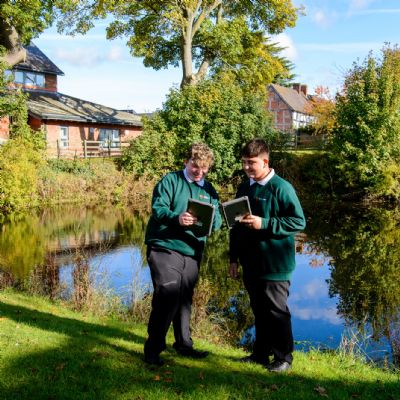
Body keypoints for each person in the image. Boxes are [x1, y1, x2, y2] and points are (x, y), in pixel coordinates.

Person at [229, 138, 306, 373]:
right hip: (251, 263)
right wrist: (233, 258)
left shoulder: (282, 188)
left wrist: (264, 223)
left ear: (265, 161)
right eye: (244, 162)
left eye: (251, 163)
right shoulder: (245, 187)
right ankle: (260, 354)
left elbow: (298, 221)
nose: (246, 167)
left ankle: (284, 358)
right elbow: (236, 226)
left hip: (275, 264)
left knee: (276, 311)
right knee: (259, 310)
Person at [144, 142, 222, 366]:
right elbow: (158, 209)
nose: (199, 172)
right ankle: (153, 349)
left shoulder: (209, 190)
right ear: (186, 162)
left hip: (192, 250)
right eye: (195, 166)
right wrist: (177, 218)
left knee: (185, 297)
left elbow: (217, 220)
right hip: (164, 245)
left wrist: (210, 223)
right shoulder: (171, 180)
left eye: (204, 168)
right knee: (168, 292)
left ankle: (184, 345)